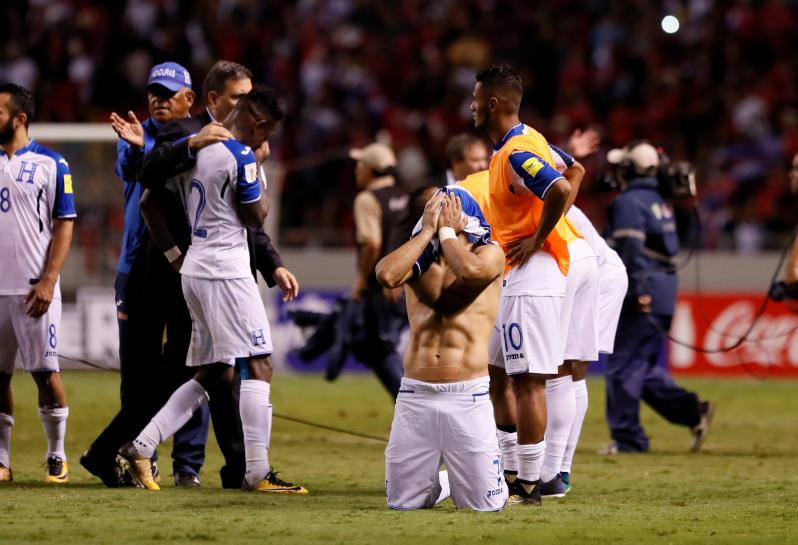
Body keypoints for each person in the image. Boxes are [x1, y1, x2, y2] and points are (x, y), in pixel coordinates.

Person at [119, 86, 306, 494]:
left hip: (195, 267)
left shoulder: (197, 148)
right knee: (259, 362)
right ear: (257, 125)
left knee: (217, 371)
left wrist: (174, 254)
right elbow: (256, 216)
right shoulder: (241, 153)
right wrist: (259, 168)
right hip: (227, 271)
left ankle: (142, 444)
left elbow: (150, 195)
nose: (265, 142)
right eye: (266, 133)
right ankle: (257, 472)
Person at [81, 62, 210, 488]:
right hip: (137, 269)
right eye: (154, 91)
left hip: (185, 267)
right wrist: (137, 148)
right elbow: (137, 171)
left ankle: (187, 465)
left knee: (193, 365)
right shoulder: (135, 139)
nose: (159, 99)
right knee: (138, 374)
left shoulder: (199, 142)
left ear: (188, 99)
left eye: (168, 93)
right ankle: (141, 454)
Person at [471, 64, 592, 504]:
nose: (471, 106)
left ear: (493, 103)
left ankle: (530, 484)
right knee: (499, 372)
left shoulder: (519, 152)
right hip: (515, 274)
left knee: (529, 381)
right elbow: (574, 169)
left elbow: (559, 187)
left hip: (533, 274)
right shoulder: (528, 140)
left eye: (475, 98)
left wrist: (539, 238)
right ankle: (507, 472)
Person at [376, 187, 507, 511]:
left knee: (483, 506)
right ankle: (448, 477)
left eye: (448, 207)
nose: (440, 211)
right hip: (415, 395)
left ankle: (465, 478)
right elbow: (386, 274)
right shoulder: (419, 257)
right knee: (403, 504)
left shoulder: (489, 253)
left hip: (468, 396)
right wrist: (429, 232)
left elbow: (470, 272)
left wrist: (447, 231)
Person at [602, 141, 714, 454]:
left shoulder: (629, 202)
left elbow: (631, 251)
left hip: (644, 286)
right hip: (664, 287)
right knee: (640, 367)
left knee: (622, 365)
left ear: (627, 168)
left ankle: (629, 440)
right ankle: (692, 411)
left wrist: (636, 290)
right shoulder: (659, 201)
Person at [0, 83, 76, 483]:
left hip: (34, 290)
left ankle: (56, 455)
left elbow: (65, 224)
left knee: (46, 374)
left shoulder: (52, 164)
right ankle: (1, 461)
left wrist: (49, 280)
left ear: (20, 118)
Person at [349, 142, 409, 399]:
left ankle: (409, 402)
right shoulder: (407, 196)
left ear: (370, 169)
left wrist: (362, 279)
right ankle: (411, 403)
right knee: (386, 346)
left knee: (378, 349)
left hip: (382, 287)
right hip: (410, 284)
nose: (357, 170)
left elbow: (372, 242)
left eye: (360, 164)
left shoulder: (366, 199)